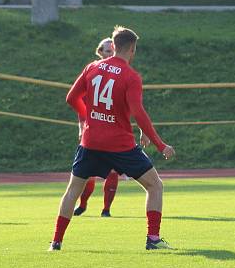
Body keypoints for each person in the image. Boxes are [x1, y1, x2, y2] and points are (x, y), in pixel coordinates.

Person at [50, 26, 175, 251]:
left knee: (72, 191)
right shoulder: (131, 76)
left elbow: (71, 98)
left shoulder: (92, 67)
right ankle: (153, 239)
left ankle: (56, 242)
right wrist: (160, 144)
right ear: (133, 49)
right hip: (120, 145)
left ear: (113, 46)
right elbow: (138, 112)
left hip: (90, 142)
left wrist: (90, 118)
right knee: (155, 185)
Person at [72, 37, 150, 218]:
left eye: (111, 50)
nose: (109, 53)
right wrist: (83, 124)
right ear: (100, 52)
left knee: (113, 172)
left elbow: (134, 107)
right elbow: (79, 100)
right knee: (86, 176)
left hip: (114, 135)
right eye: (106, 51)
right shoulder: (93, 70)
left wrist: (142, 129)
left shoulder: (120, 74)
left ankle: (106, 209)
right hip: (93, 133)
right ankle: (83, 204)